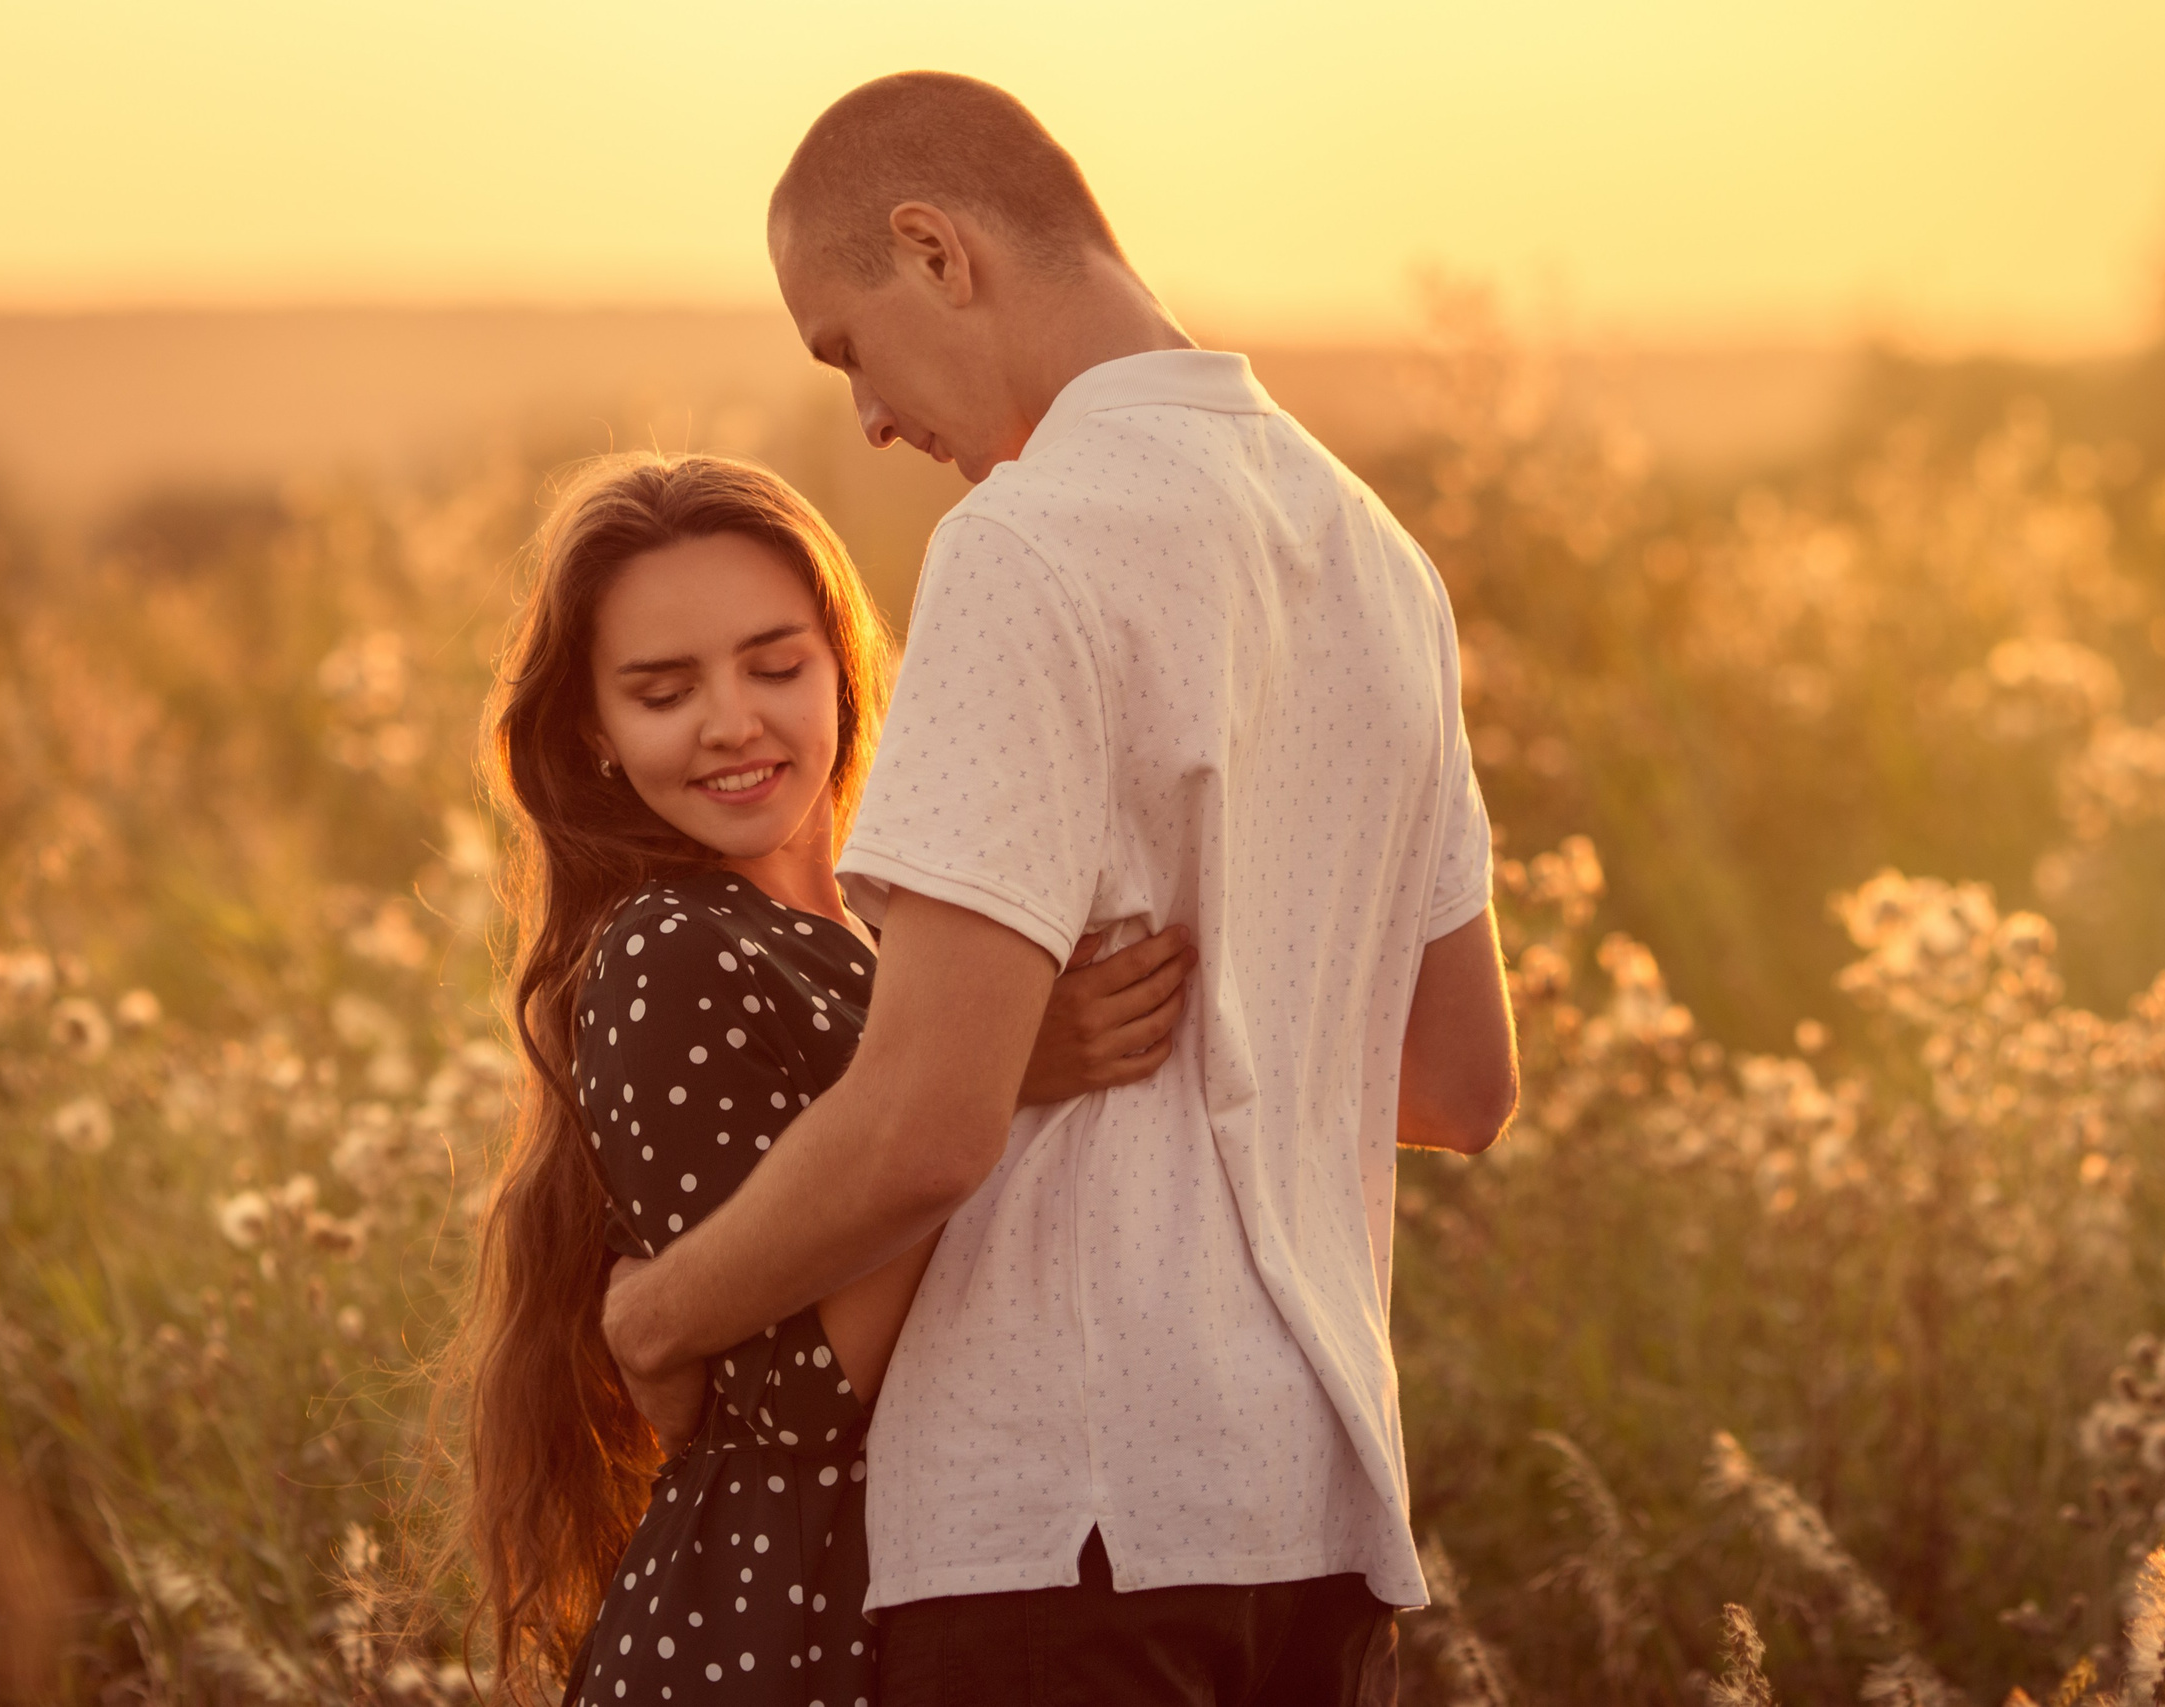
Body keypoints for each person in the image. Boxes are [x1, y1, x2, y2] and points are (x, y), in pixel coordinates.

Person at [601, 73, 1521, 1706]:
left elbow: (927, 1126)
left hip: (1063, 1532)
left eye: (845, 350)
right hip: (1315, 1511)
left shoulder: (1025, 545)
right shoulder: (1380, 555)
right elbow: (1461, 1083)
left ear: (932, 249)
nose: (870, 421)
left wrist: (658, 1316)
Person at [459, 451, 1196, 1705]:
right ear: (592, 728)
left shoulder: (880, 946)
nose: (732, 721)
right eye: (662, 690)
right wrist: (992, 1074)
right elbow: (798, 1392)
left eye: (774, 665)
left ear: (843, 668)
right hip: (771, 1631)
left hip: (935, 1593)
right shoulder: (671, 949)